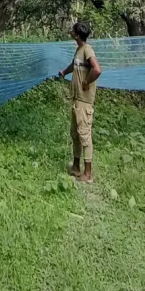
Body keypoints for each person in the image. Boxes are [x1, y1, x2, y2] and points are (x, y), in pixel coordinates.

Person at [58, 21, 102, 183]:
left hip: (84, 101)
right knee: (75, 134)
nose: (70, 31)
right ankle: (76, 167)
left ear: (77, 34)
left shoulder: (88, 50)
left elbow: (97, 70)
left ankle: (88, 174)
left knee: (84, 135)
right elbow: (75, 65)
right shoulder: (79, 50)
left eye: (72, 30)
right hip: (76, 99)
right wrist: (64, 71)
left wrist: (86, 82)